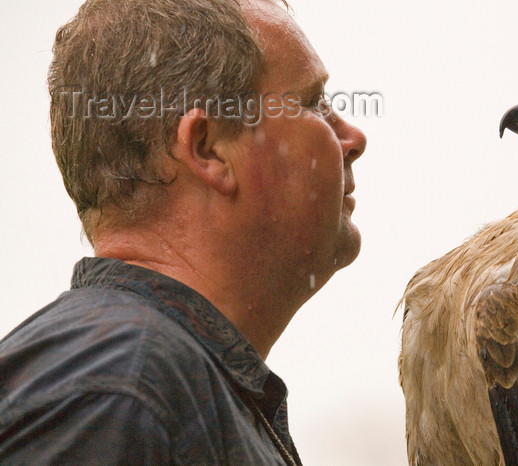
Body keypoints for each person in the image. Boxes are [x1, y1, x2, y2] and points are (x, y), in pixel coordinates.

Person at [0, 0, 366, 463]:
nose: (353, 138)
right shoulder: (118, 393)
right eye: (314, 103)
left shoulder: (138, 382)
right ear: (208, 148)